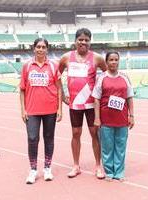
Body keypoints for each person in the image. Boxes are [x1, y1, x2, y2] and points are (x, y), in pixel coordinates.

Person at [59, 28, 107, 179]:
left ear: (90, 42)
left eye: (86, 39)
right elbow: (57, 76)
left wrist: (101, 97)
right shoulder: (66, 57)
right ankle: (76, 165)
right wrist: (62, 96)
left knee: (95, 133)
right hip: (74, 104)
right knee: (75, 133)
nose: (83, 42)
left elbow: (106, 76)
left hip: (92, 104)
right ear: (75, 41)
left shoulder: (97, 58)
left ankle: (98, 166)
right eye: (80, 39)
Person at [20, 38, 62, 184]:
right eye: (38, 47)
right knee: (32, 139)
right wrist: (23, 109)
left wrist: (60, 109)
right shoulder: (27, 66)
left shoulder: (53, 66)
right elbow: (22, 90)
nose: (40, 49)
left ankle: (47, 168)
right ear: (34, 48)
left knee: (49, 139)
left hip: (50, 109)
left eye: (43, 47)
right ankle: (33, 170)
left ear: (47, 49)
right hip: (31, 110)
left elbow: (59, 88)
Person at [92, 51, 134, 181]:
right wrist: (97, 118)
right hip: (106, 120)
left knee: (121, 147)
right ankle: (109, 172)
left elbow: (130, 97)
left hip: (122, 120)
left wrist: (131, 115)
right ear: (107, 62)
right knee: (107, 147)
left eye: (116, 60)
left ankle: (119, 172)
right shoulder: (102, 78)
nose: (114, 62)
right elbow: (96, 99)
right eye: (111, 60)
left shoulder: (124, 77)